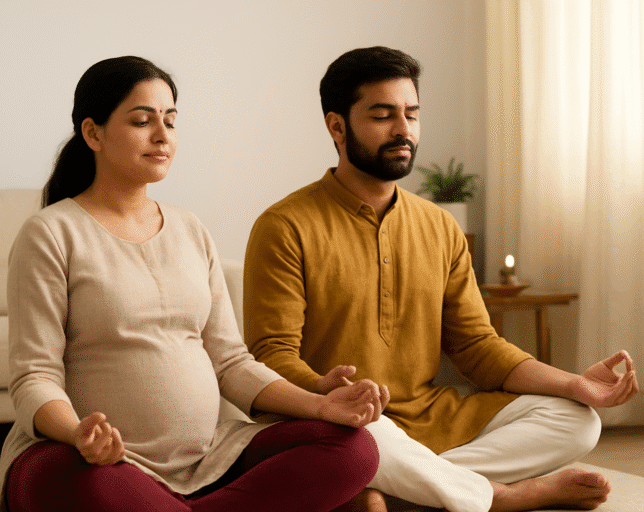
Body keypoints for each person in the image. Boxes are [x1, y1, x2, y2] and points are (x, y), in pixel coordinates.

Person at [244, 46, 639, 512]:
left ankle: (400, 488)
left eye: (411, 113)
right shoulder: (285, 225)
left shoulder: (439, 225)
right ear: (336, 126)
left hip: (433, 416)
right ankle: (499, 496)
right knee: (363, 443)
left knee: (577, 420)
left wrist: (572, 384)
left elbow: (476, 346)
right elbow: (270, 356)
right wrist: (326, 394)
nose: (403, 130)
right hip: (342, 421)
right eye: (383, 115)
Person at [0, 55, 388, 512]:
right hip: (93, 462)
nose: (162, 136)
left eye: (171, 121)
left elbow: (230, 361)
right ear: (93, 133)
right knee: (75, 484)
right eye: (142, 121)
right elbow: (33, 376)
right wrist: (77, 433)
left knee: (352, 447)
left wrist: (319, 403)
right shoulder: (51, 233)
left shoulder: (189, 229)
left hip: (211, 459)